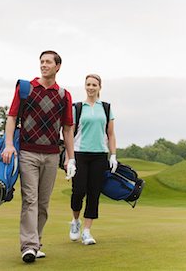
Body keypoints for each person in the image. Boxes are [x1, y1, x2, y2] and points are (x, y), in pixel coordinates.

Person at [1, 50, 76, 263]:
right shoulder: (26, 88)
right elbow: (12, 116)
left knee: (43, 203)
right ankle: (29, 246)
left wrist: (71, 158)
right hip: (27, 152)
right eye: (41, 62)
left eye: (48, 62)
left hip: (52, 155)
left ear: (58, 66)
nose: (44, 65)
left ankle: (37, 241)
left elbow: (68, 129)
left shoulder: (64, 95)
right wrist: (8, 144)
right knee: (30, 200)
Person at [66, 74, 118, 245]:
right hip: (80, 153)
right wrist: (69, 159)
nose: (90, 87)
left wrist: (113, 155)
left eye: (94, 84)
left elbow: (110, 134)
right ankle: (75, 222)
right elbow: (69, 134)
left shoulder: (106, 108)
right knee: (78, 191)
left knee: (94, 193)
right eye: (88, 84)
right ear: (85, 86)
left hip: (99, 155)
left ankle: (87, 231)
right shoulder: (77, 107)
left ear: (99, 87)